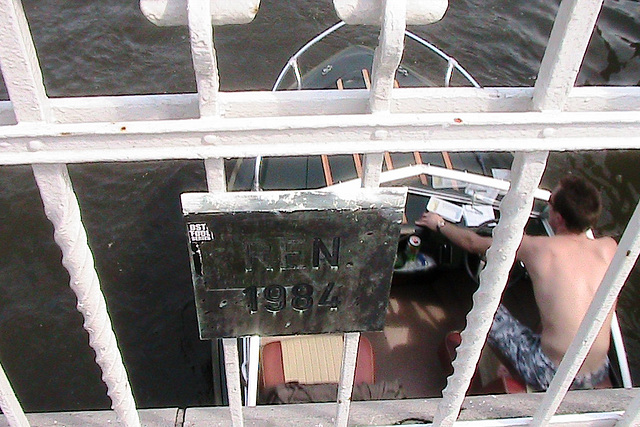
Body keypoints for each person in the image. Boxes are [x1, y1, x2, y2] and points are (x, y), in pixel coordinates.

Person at [415, 175, 618, 390]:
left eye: (549, 202)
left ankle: (509, 369)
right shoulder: (609, 248)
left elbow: (473, 243)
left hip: (551, 373)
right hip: (597, 371)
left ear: (558, 218)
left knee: (489, 310)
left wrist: (439, 223)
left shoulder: (536, 248)